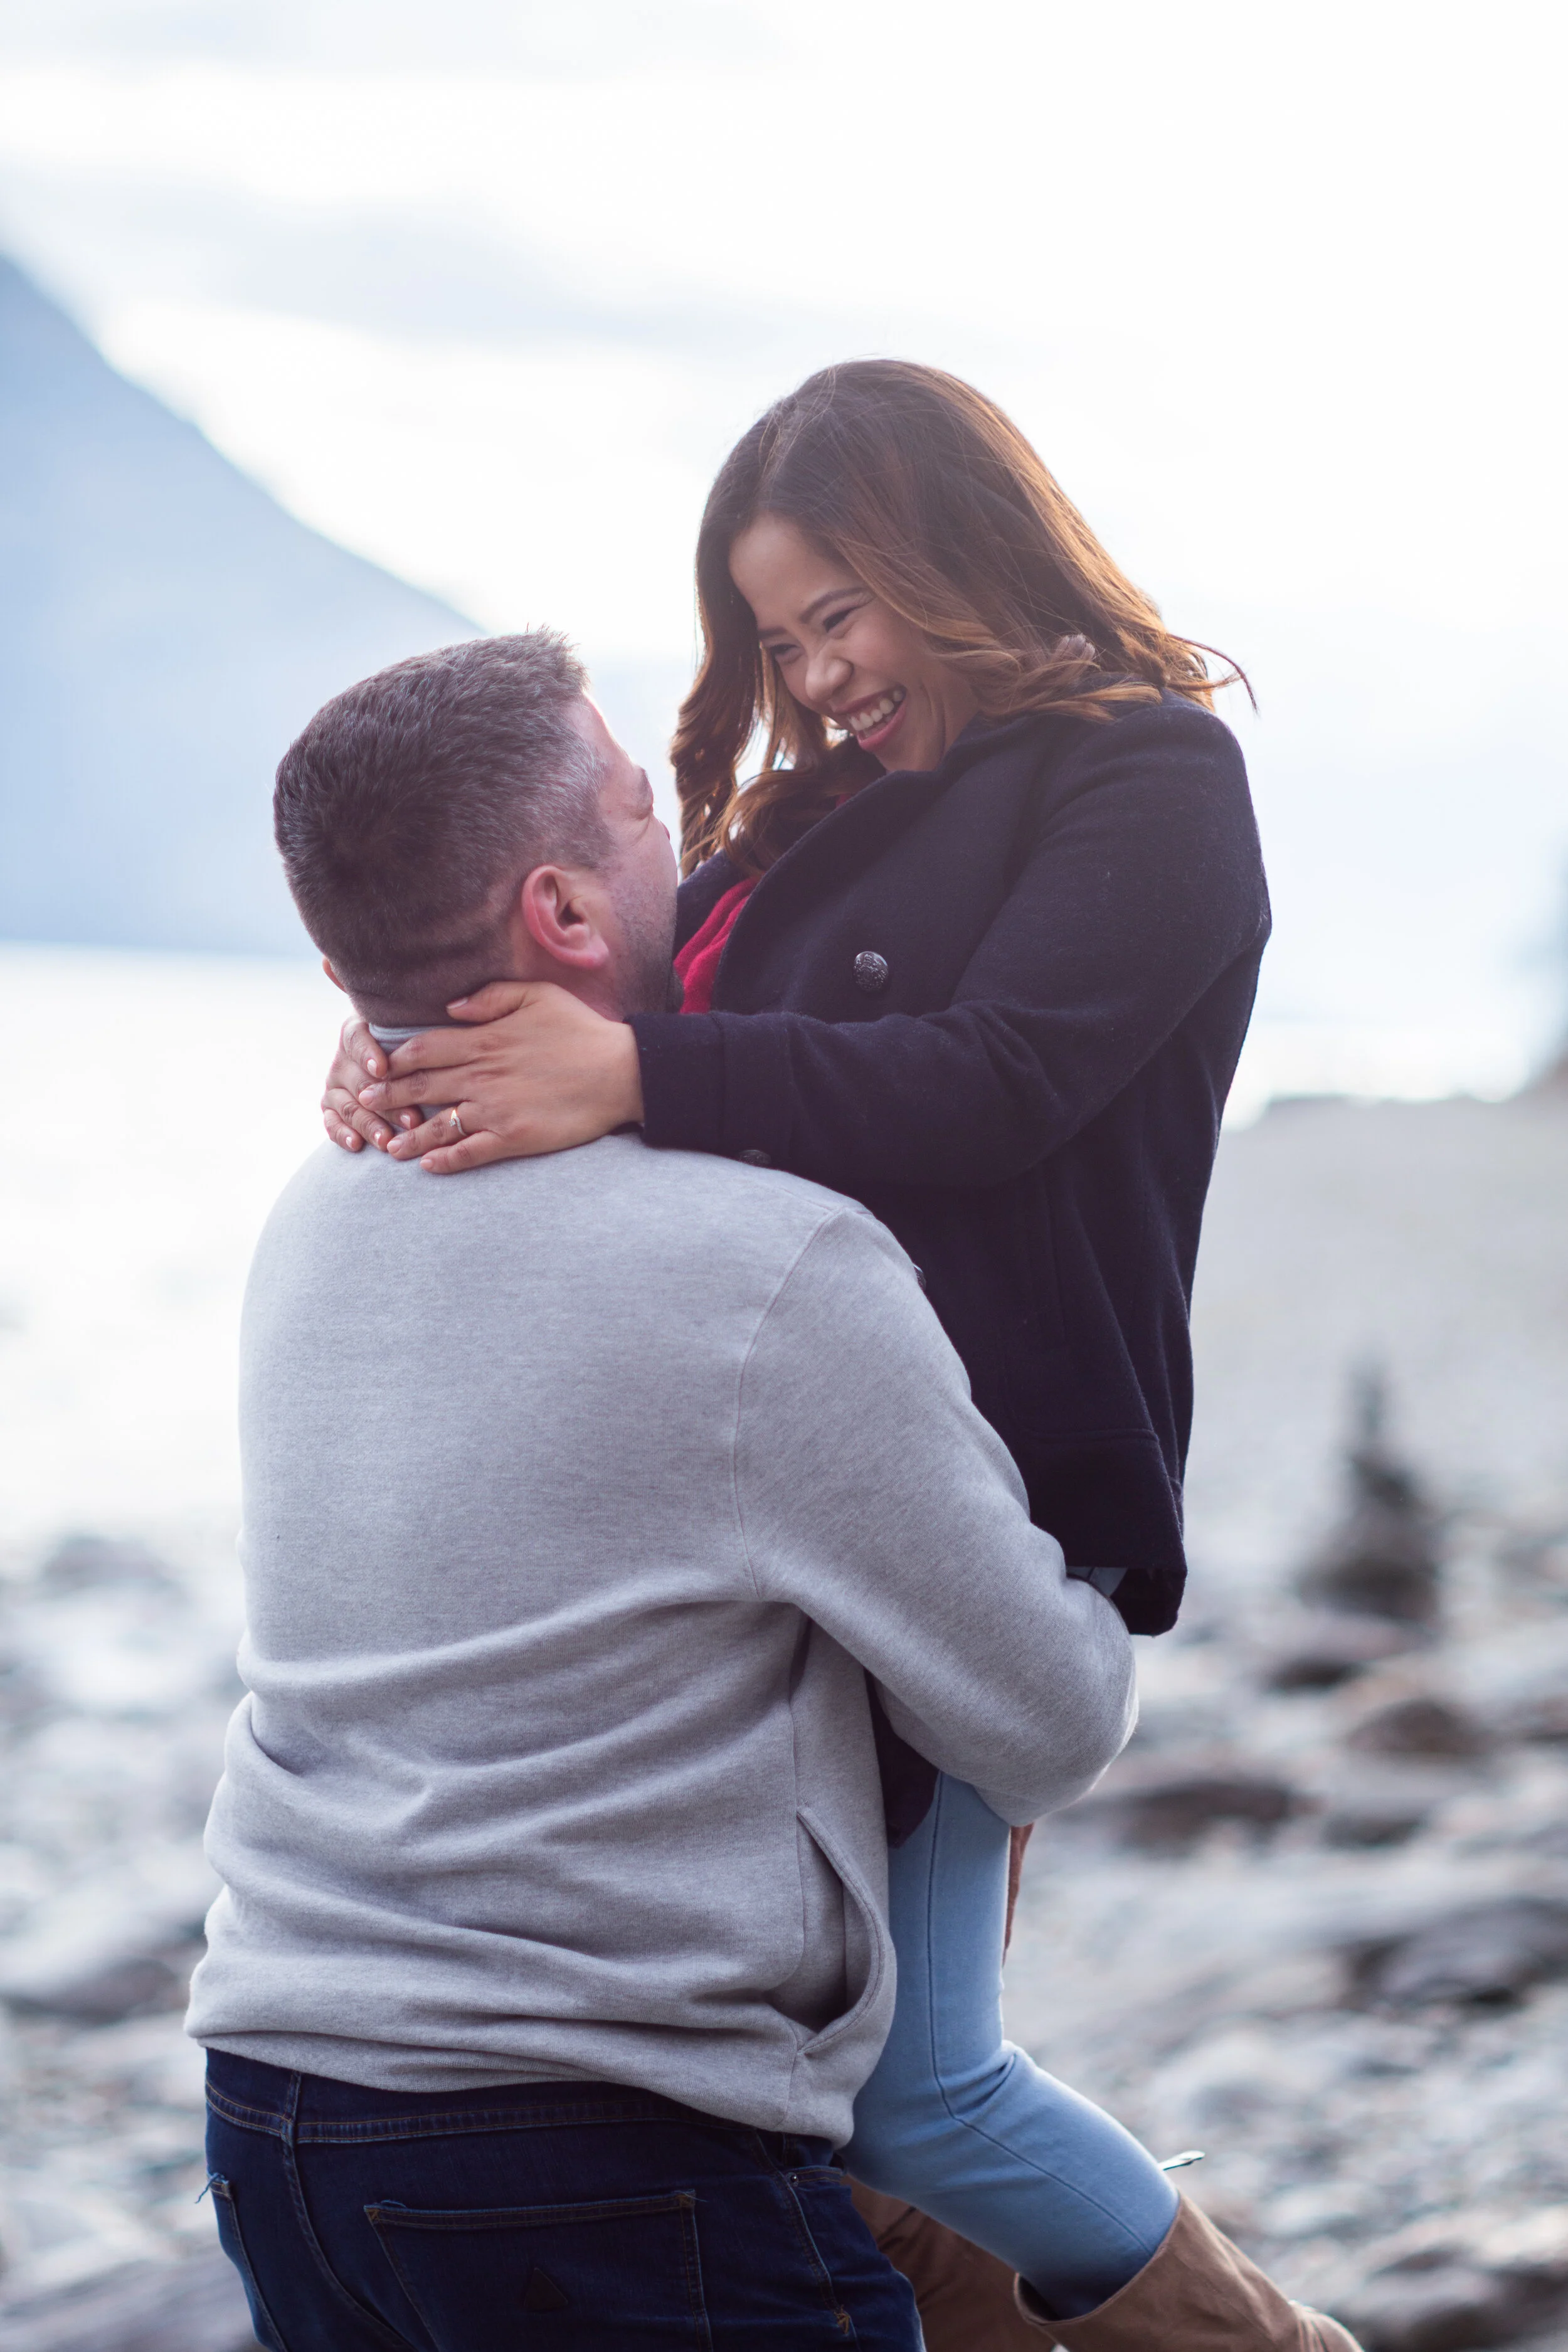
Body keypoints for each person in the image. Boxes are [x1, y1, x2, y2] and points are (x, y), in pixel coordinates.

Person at [314, 366, 1361, 2352]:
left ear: (957, 550)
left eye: (839, 613)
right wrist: (411, 1048)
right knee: (805, 2112)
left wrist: (631, 1071)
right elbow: (618, 1003)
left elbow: (1000, 1081)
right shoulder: (814, 817)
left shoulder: (1149, 779)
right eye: (780, 639)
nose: (818, 673)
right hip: (764, 1519)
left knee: (913, 2088)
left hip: (973, 1502)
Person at [187, 631, 1143, 2352]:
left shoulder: (313, 1215)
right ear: (559, 910)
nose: (682, 853)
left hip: (277, 2127)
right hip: (590, 2165)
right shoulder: (765, 1267)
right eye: (641, 812)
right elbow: (1048, 1715)